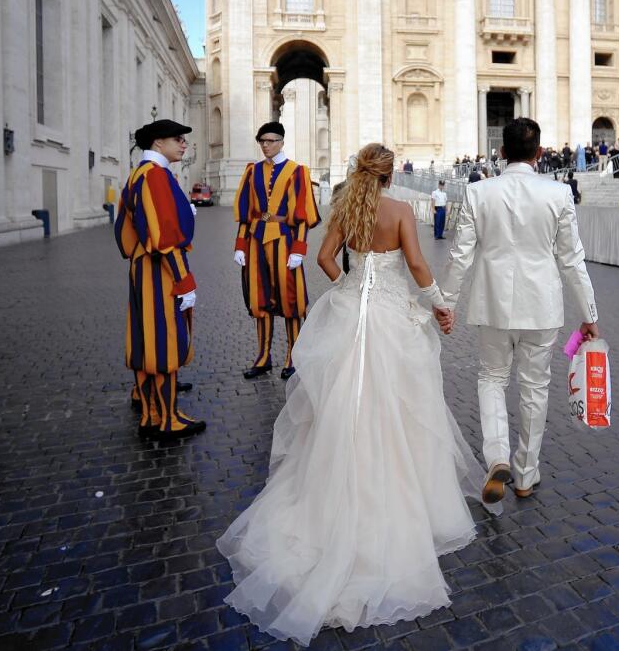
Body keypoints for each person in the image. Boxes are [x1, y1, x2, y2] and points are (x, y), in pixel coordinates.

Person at [218, 143, 493, 646]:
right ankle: (401, 488)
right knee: (403, 405)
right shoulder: (400, 210)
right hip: (391, 316)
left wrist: (349, 286)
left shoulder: (347, 207)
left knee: (344, 402)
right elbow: (415, 264)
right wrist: (439, 306)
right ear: (390, 176)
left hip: (353, 311)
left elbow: (324, 257)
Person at [440, 118, 599, 502]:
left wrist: (445, 303)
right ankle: (526, 472)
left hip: (491, 302)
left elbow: (460, 255)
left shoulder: (478, 193)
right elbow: (572, 260)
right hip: (541, 305)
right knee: (535, 387)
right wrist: (589, 314)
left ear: (501, 152)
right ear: (539, 153)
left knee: (492, 378)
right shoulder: (558, 194)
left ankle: (496, 455)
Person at [115, 119, 204, 441]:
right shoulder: (155, 176)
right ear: (157, 143)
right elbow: (165, 235)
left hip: (142, 265)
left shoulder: (138, 174)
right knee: (164, 341)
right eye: (177, 139)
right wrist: (184, 280)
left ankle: (150, 414)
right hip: (160, 269)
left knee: (144, 340)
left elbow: (123, 230)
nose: (183, 144)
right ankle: (167, 419)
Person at [233, 122, 321, 381]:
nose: (265, 145)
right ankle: (263, 356)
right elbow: (246, 214)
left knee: (290, 300)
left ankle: (292, 356)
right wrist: (240, 245)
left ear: (281, 142)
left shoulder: (297, 171)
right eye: (262, 141)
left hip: (285, 240)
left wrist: (299, 249)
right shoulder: (252, 171)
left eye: (270, 141)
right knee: (260, 300)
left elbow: (303, 215)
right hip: (256, 241)